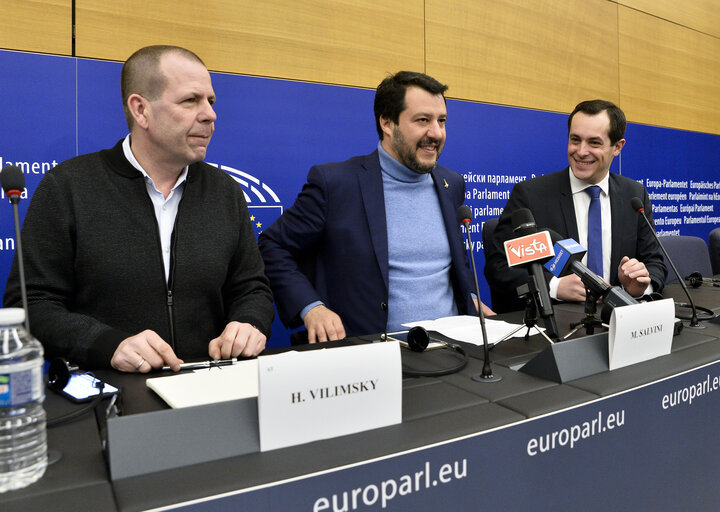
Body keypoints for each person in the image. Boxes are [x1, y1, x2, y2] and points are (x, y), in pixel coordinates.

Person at [4, 45, 274, 372]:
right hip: (109, 401)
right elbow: (31, 306)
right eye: (191, 100)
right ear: (141, 110)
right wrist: (107, 344)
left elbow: (251, 288)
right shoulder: (68, 187)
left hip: (208, 391)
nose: (210, 114)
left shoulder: (225, 192)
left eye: (211, 101)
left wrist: (249, 322)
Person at [258, 71, 493, 343]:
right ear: (387, 123)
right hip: (372, 359)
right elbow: (272, 247)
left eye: (441, 121)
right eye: (423, 121)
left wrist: (470, 298)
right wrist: (312, 308)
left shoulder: (451, 184)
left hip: (452, 352)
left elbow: (455, 262)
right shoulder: (335, 184)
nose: (436, 133)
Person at [485, 99, 667, 313]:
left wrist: (640, 287)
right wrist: (554, 286)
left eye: (594, 143)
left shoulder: (634, 195)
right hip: (557, 322)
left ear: (617, 147)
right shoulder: (531, 195)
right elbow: (499, 266)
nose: (581, 151)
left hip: (619, 318)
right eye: (575, 140)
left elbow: (655, 262)